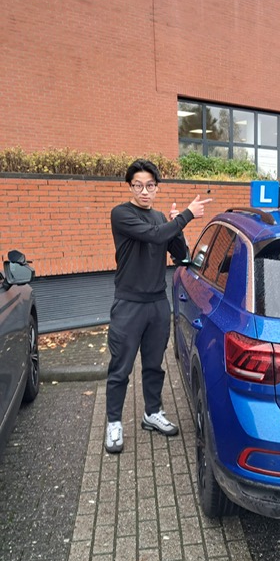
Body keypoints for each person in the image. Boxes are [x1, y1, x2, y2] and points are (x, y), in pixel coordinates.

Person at [104, 159, 211, 453]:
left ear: (156, 188)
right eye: (138, 185)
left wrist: (176, 226)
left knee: (154, 365)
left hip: (157, 304)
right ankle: (114, 422)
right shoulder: (121, 214)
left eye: (150, 185)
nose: (144, 191)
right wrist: (186, 216)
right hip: (128, 304)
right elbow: (153, 235)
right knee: (120, 368)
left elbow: (181, 255)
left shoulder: (161, 217)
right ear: (130, 187)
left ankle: (152, 413)